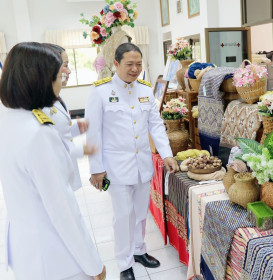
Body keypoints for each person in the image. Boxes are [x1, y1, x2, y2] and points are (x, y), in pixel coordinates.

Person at [0, 42, 106, 280]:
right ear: (40, 79)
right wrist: (94, 265)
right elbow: (63, 210)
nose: (63, 79)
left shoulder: (9, 120)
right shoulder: (39, 133)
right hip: (57, 258)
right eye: (59, 74)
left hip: (27, 250)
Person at [85, 43, 179, 280]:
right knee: (123, 216)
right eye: (129, 64)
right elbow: (92, 133)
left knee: (139, 212)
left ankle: (139, 250)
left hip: (142, 165)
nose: (135, 69)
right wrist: (97, 169)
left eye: (138, 64)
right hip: (116, 168)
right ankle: (124, 262)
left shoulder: (146, 90)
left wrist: (166, 153)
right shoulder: (100, 92)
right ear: (116, 64)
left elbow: (155, 125)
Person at [41, 43, 97, 191]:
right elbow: (50, 145)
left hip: (66, 174)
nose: (69, 71)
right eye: (65, 65)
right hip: (54, 179)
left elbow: (60, 130)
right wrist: (86, 149)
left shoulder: (57, 97)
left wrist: (76, 128)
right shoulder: (40, 104)